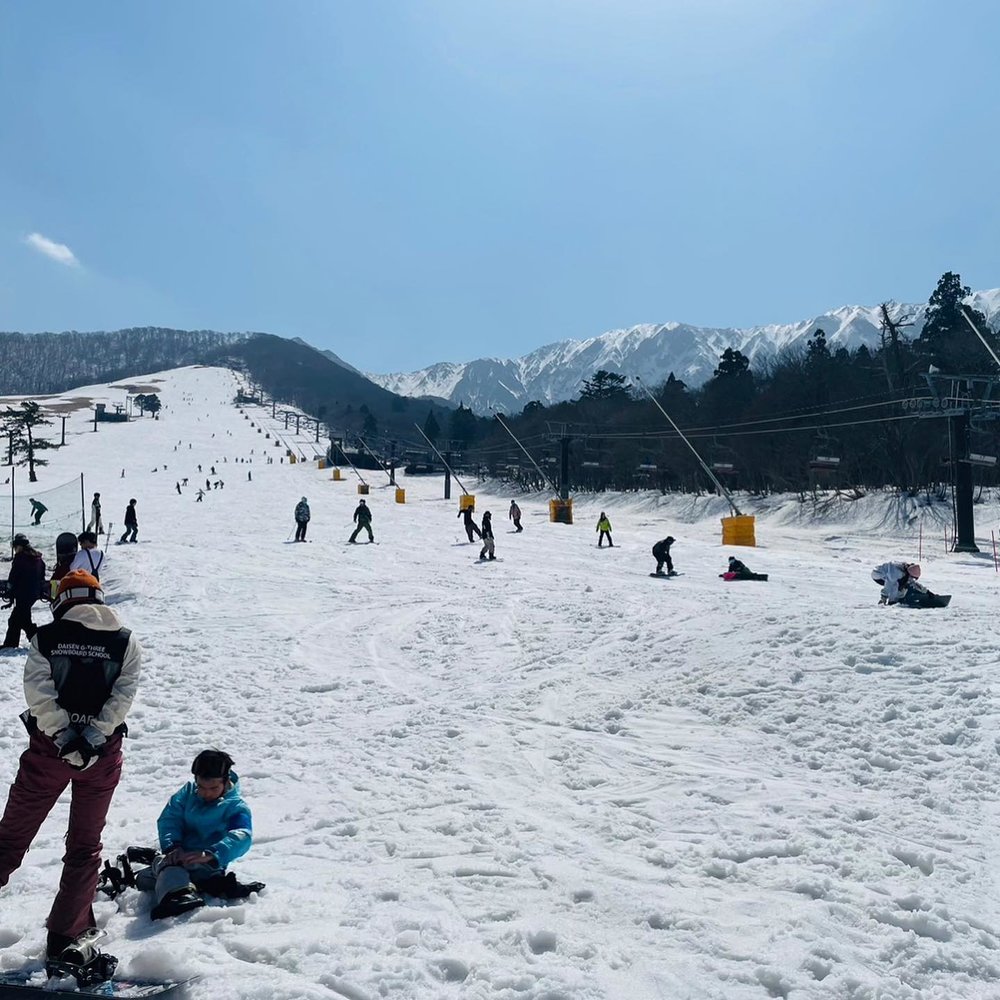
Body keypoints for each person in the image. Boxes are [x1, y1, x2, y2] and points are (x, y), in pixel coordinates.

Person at [0, 570, 140, 971]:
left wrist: (63, 736)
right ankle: (66, 934)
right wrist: (92, 737)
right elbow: (123, 696)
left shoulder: (46, 637)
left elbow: (38, 693)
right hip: (100, 757)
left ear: (62, 599)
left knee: (9, 839)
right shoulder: (126, 641)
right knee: (84, 846)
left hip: (48, 753)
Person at [135, 750, 261, 920]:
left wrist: (211, 854)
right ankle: (209, 887)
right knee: (142, 878)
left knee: (165, 869)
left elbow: (242, 835)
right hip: (179, 855)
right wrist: (173, 846)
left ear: (226, 781)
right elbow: (170, 819)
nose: (206, 793)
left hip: (207, 864)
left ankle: (180, 895)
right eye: (201, 787)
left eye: (213, 788)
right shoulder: (187, 794)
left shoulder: (235, 807)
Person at [2, 535, 46, 649]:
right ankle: (37, 640)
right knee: (21, 619)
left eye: (15, 547)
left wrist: (9, 591)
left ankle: (39, 640)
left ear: (20, 546)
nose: (15, 549)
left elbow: (14, 576)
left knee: (17, 619)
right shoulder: (38, 557)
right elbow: (42, 574)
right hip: (33, 593)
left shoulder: (20, 558)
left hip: (22, 593)